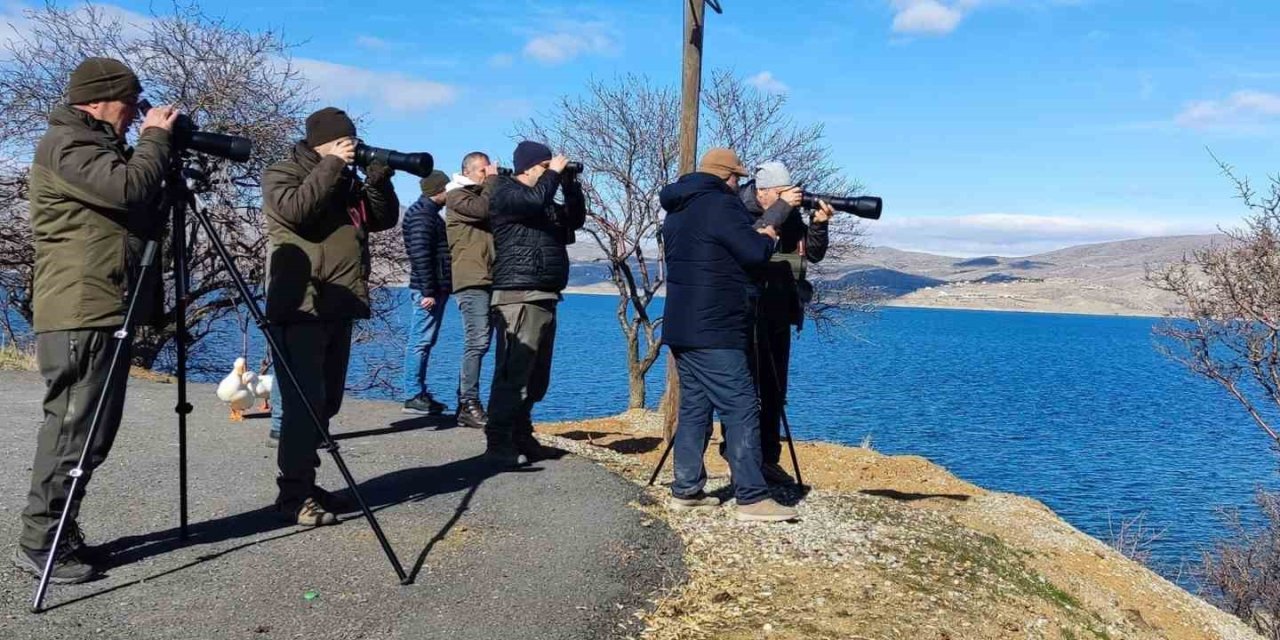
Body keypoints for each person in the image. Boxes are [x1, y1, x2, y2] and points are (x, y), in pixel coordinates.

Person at [14, 57, 179, 583]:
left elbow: (137, 207)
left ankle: (59, 530)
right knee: (74, 430)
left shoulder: (92, 146)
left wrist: (158, 157)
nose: (136, 116)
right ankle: (44, 542)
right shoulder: (69, 144)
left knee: (90, 431)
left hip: (99, 304)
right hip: (82, 309)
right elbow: (129, 189)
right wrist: (156, 140)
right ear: (99, 100)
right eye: (131, 106)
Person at [263, 107, 399, 526]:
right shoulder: (283, 173)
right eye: (345, 142)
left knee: (326, 403)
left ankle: (305, 482)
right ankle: (293, 495)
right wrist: (333, 164)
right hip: (302, 303)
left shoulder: (345, 180)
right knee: (303, 406)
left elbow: (382, 219)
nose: (352, 148)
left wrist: (377, 182)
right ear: (321, 143)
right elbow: (297, 211)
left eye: (354, 142)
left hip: (339, 303)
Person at [660, 148, 798, 522]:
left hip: (681, 325)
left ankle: (686, 490)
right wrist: (769, 231)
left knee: (694, 408)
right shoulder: (721, 207)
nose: (739, 185)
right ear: (727, 177)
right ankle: (752, 497)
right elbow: (753, 253)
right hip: (717, 326)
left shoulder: (677, 210)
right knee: (740, 407)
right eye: (737, 178)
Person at [485, 141, 586, 466]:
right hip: (519, 295)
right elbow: (533, 199)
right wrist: (553, 175)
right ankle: (499, 440)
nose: (551, 173)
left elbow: (574, 221)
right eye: (545, 167)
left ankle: (522, 433)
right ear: (528, 167)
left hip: (544, 294)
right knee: (513, 372)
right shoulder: (505, 193)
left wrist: (571, 186)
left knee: (537, 375)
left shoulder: (543, 201)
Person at [739, 161, 832, 485]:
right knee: (744, 391)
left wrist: (818, 224)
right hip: (745, 313)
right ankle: (741, 457)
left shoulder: (789, 213)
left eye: (789, 194)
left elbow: (813, 255)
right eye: (780, 194)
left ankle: (768, 459)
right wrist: (778, 211)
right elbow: (748, 247)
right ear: (761, 192)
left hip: (779, 310)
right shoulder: (738, 208)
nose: (787, 200)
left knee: (775, 390)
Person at [445, 152, 500, 428]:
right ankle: (468, 403)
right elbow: (484, 209)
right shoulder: (456, 196)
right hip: (471, 279)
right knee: (477, 342)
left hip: (489, 277)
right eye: (482, 170)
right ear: (467, 171)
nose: (486, 174)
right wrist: (492, 180)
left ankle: (468, 402)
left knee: (486, 342)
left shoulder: (480, 193)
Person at [401, 170, 452, 415]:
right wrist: (428, 291)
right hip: (427, 289)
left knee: (423, 341)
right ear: (439, 190)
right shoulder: (423, 216)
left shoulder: (425, 213)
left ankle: (417, 391)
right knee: (420, 341)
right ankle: (413, 393)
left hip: (429, 287)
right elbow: (421, 256)